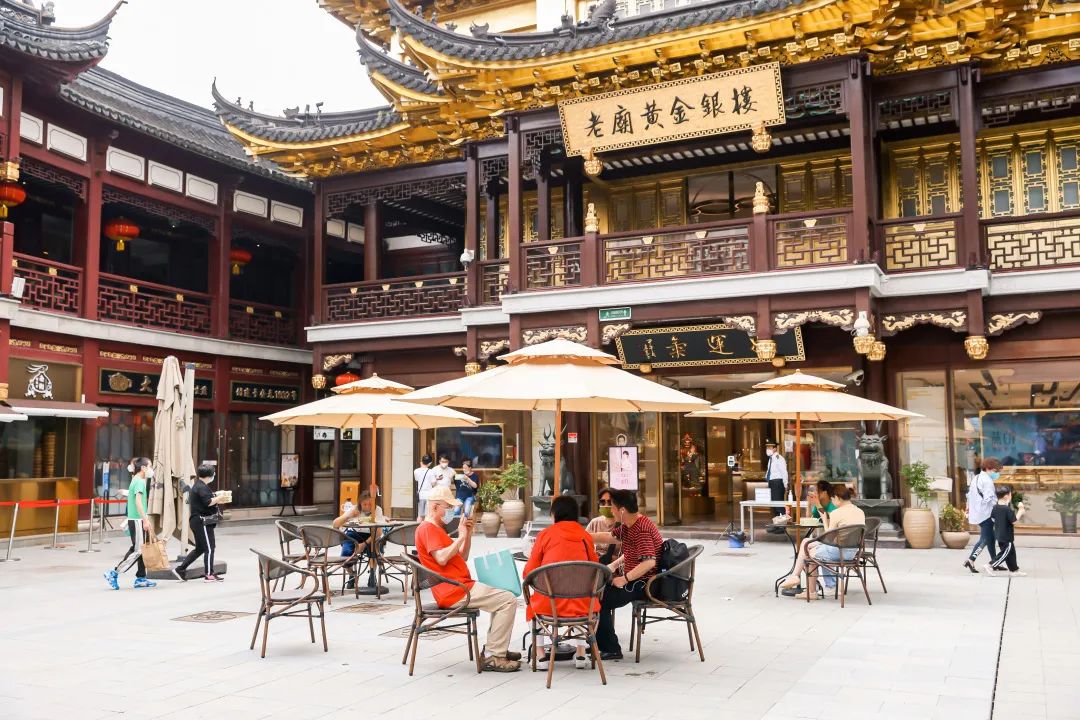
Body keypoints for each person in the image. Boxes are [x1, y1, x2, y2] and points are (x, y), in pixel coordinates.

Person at [414, 486, 521, 672]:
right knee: (507, 600)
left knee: (503, 596)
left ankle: (496, 647)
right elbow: (441, 558)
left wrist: (467, 535)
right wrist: (460, 537)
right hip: (455, 590)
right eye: (448, 507)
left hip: (459, 586)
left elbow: (461, 557)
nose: (451, 511)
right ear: (435, 507)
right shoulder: (428, 529)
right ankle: (494, 655)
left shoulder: (436, 529)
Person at [523, 496, 599, 670]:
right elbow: (596, 568)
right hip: (582, 604)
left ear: (555, 514)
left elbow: (529, 572)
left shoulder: (545, 535)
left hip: (549, 604)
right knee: (584, 599)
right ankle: (581, 653)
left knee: (532, 604)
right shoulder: (585, 536)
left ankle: (541, 656)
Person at [589, 488, 664, 661]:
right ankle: (598, 643)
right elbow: (609, 537)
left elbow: (649, 562)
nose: (610, 510)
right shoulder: (629, 525)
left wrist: (624, 579)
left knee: (599, 599)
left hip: (644, 584)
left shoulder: (641, 529)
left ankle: (611, 648)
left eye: (612, 507)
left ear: (622, 510)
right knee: (596, 591)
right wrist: (582, 536)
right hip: (635, 580)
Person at [782, 484, 865, 600]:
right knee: (806, 542)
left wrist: (825, 521)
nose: (832, 502)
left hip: (838, 552)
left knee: (807, 552)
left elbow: (828, 539)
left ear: (837, 498)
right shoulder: (860, 511)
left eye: (832, 499)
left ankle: (810, 589)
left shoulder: (837, 513)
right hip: (852, 552)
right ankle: (798, 578)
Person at [104, 457, 156, 590]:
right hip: (137, 520)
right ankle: (114, 572)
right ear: (143, 468)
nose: (151, 469)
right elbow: (138, 502)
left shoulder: (137, 480)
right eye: (150, 466)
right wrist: (145, 519)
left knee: (141, 549)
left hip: (137, 519)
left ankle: (141, 578)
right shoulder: (139, 481)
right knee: (138, 550)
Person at [778, 481, 835, 595]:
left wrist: (817, 504)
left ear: (824, 493)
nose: (814, 493)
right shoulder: (820, 504)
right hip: (824, 539)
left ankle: (823, 585)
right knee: (805, 547)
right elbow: (810, 518)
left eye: (817, 491)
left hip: (831, 540)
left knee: (806, 549)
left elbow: (829, 524)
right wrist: (809, 504)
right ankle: (811, 586)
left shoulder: (832, 506)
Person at [172, 464, 226, 582]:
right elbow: (208, 502)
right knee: (210, 548)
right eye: (213, 473)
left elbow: (205, 500)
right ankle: (209, 574)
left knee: (201, 548)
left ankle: (180, 569)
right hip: (202, 522)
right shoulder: (201, 487)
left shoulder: (200, 485)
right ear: (209, 475)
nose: (214, 475)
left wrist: (216, 496)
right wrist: (220, 497)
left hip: (198, 521)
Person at [333, 491, 388, 589]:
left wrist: (363, 544)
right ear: (360, 503)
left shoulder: (377, 510)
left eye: (370, 504)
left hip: (371, 535)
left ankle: (372, 575)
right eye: (364, 504)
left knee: (374, 550)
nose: (367, 506)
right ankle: (352, 574)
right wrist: (348, 516)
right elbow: (335, 524)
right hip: (354, 534)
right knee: (346, 554)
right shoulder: (354, 509)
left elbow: (378, 532)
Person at [964, 457, 1001, 573]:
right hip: (986, 513)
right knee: (985, 539)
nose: (997, 473)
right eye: (996, 471)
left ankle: (994, 562)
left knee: (991, 538)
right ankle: (971, 560)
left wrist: (968, 508)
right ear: (988, 468)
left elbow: (969, 495)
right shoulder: (987, 481)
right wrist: (997, 507)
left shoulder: (977, 477)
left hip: (978, 512)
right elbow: (989, 499)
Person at [987, 486, 1026, 576]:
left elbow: (993, 518)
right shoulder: (1007, 509)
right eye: (1010, 495)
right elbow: (1014, 521)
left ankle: (1014, 570)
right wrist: (1020, 511)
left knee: (1011, 553)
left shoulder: (995, 507)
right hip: (1006, 536)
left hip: (999, 534)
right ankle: (990, 565)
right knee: (1005, 553)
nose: (1011, 496)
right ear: (1006, 496)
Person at [585, 487, 621, 565]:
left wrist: (613, 559)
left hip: (615, 568)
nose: (606, 505)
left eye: (610, 502)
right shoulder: (594, 523)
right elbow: (584, 544)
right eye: (602, 502)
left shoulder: (623, 525)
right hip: (595, 566)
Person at [765, 440, 789, 518]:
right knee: (774, 505)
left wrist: (785, 484)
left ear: (775, 448)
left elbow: (784, 472)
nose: (767, 449)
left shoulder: (779, 458)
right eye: (767, 447)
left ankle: (784, 523)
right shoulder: (771, 459)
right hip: (772, 483)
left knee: (779, 505)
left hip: (777, 483)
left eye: (769, 447)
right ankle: (777, 523)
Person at [414, 454, 435, 521]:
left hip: (421, 495)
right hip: (429, 495)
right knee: (427, 515)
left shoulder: (416, 471)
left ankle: (418, 526)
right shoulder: (431, 471)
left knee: (420, 515)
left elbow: (417, 479)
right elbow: (433, 483)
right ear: (430, 463)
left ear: (422, 461)